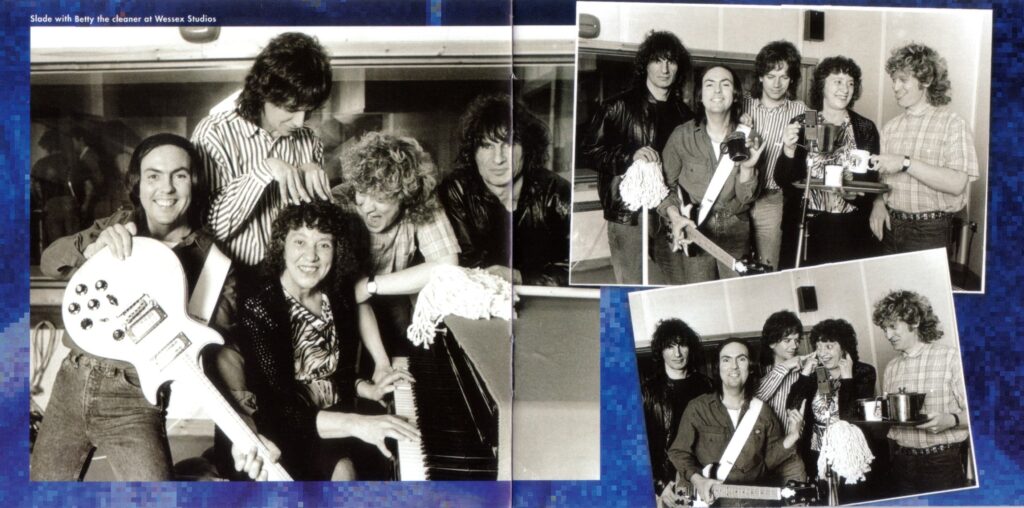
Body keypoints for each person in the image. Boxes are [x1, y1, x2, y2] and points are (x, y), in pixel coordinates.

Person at [32, 133, 274, 481]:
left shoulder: (213, 263)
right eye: (154, 175)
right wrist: (91, 248)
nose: (166, 188)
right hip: (71, 381)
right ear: (139, 184)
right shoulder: (117, 225)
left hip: (134, 400)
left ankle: (199, 472)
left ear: (194, 182)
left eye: (179, 175)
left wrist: (243, 431)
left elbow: (224, 353)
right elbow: (50, 262)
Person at [237, 201, 419, 480]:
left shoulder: (336, 294)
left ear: (336, 251)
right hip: (280, 428)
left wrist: (367, 388)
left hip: (334, 419)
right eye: (300, 242)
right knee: (346, 471)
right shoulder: (260, 305)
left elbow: (336, 374)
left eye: (323, 244)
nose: (311, 256)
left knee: (384, 463)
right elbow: (278, 407)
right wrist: (358, 424)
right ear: (282, 246)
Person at [192, 32, 334, 268]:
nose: (300, 122)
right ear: (264, 93)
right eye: (292, 109)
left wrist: (315, 193)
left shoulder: (309, 141)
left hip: (290, 278)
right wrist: (264, 170)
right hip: (232, 279)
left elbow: (317, 231)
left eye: (308, 111)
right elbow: (210, 229)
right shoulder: (214, 132)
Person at [332, 131, 460, 357]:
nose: (367, 207)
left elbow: (448, 267)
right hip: (342, 310)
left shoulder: (422, 200)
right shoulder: (338, 202)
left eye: (380, 198)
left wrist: (369, 286)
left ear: (405, 195)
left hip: (394, 305)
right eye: (362, 193)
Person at [580, 30, 695, 284]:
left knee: (677, 284)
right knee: (630, 285)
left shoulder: (685, 114)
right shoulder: (617, 106)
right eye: (657, 60)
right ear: (645, 65)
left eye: (671, 61)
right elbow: (589, 151)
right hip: (629, 213)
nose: (664, 69)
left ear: (678, 67)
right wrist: (629, 156)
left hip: (670, 210)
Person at [438, 93, 570, 286]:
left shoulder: (557, 192)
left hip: (543, 297)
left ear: (527, 148)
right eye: (487, 146)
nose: (498, 159)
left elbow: (574, 270)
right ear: (472, 152)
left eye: (508, 144)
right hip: (480, 295)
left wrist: (519, 277)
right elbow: (462, 263)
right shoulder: (456, 190)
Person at [869, 43, 979, 255]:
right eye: (894, 80)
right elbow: (882, 181)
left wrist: (905, 162)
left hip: (931, 231)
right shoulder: (890, 128)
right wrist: (878, 204)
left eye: (903, 79)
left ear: (926, 80)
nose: (895, 87)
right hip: (891, 226)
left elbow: (957, 184)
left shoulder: (953, 124)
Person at [667, 339, 805, 506]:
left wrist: (792, 436)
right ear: (718, 367)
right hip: (711, 503)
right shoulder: (698, 408)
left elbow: (766, 463)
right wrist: (698, 481)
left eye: (741, 359)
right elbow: (679, 452)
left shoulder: (763, 411)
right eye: (726, 359)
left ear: (750, 367)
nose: (734, 366)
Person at [658, 65, 763, 283]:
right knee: (701, 294)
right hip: (695, 229)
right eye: (709, 84)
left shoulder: (748, 137)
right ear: (700, 96)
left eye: (725, 84)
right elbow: (664, 187)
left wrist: (748, 168)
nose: (717, 90)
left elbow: (746, 199)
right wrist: (676, 218)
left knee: (736, 295)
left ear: (735, 95)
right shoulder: (681, 136)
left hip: (736, 230)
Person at [774, 56, 881, 268]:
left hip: (849, 228)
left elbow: (870, 180)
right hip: (807, 226)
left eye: (850, 83)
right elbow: (784, 180)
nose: (845, 89)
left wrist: (854, 195)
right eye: (838, 81)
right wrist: (788, 149)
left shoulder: (864, 127)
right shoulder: (807, 121)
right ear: (822, 85)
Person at [872, 290, 970, 496]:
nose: (888, 335)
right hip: (901, 463)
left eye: (893, 326)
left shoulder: (951, 357)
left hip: (942, 463)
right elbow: (890, 421)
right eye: (884, 329)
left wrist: (952, 420)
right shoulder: (891, 368)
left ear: (915, 321)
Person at [742, 41, 808, 270]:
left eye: (784, 77)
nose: (777, 84)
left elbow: (818, 150)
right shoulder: (742, 106)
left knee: (768, 267)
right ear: (760, 77)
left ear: (792, 79)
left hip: (773, 198)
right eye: (771, 76)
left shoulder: (801, 110)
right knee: (734, 265)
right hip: (737, 196)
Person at [787, 319, 876, 484]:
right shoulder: (818, 374)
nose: (822, 353)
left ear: (844, 348)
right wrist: (805, 373)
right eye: (818, 347)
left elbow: (849, 417)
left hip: (850, 451)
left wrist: (847, 379)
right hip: (817, 450)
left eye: (829, 346)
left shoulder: (863, 372)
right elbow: (793, 407)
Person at [640, 319, 713, 503]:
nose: (677, 353)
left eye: (682, 345)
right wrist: (659, 484)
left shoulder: (707, 385)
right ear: (660, 351)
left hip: (703, 477)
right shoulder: (647, 391)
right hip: (667, 484)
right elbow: (636, 444)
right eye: (670, 346)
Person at [756, 310, 813, 433]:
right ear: (772, 343)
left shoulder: (804, 374)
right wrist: (785, 366)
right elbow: (756, 399)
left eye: (797, 340)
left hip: (795, 441)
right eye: (787, 340)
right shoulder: (759, 372)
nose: (794, 346)